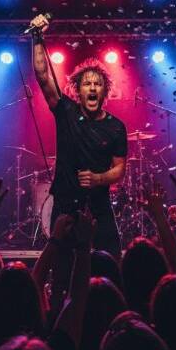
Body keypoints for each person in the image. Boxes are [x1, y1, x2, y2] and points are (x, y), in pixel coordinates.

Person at [29, 14, 127, 255]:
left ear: (105, 91)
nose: (92, 87)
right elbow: (43, 75)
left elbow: (119, 169)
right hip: (65, 202)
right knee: (62, 262)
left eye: (97, 84)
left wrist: (98, 179)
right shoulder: (66, 111)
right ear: (77, 90)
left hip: (99, 204)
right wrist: (37, 37)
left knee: (110, 259)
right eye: (87, 84)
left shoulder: (116, 126)